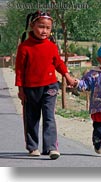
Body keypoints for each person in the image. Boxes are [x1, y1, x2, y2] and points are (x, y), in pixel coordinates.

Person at [15, 10, 76, 160]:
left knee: (49, 116)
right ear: (32, 26)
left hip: (50, 86)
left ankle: (51, 147)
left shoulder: (51, 46)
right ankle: (32, 146)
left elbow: (58, 63)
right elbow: (19, 70)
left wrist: (67, 76)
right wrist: (20, 89)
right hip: (30, 89)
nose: (44, 31)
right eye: (41, 26)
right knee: (32, 118)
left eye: (48, 28)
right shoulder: (25, 47)